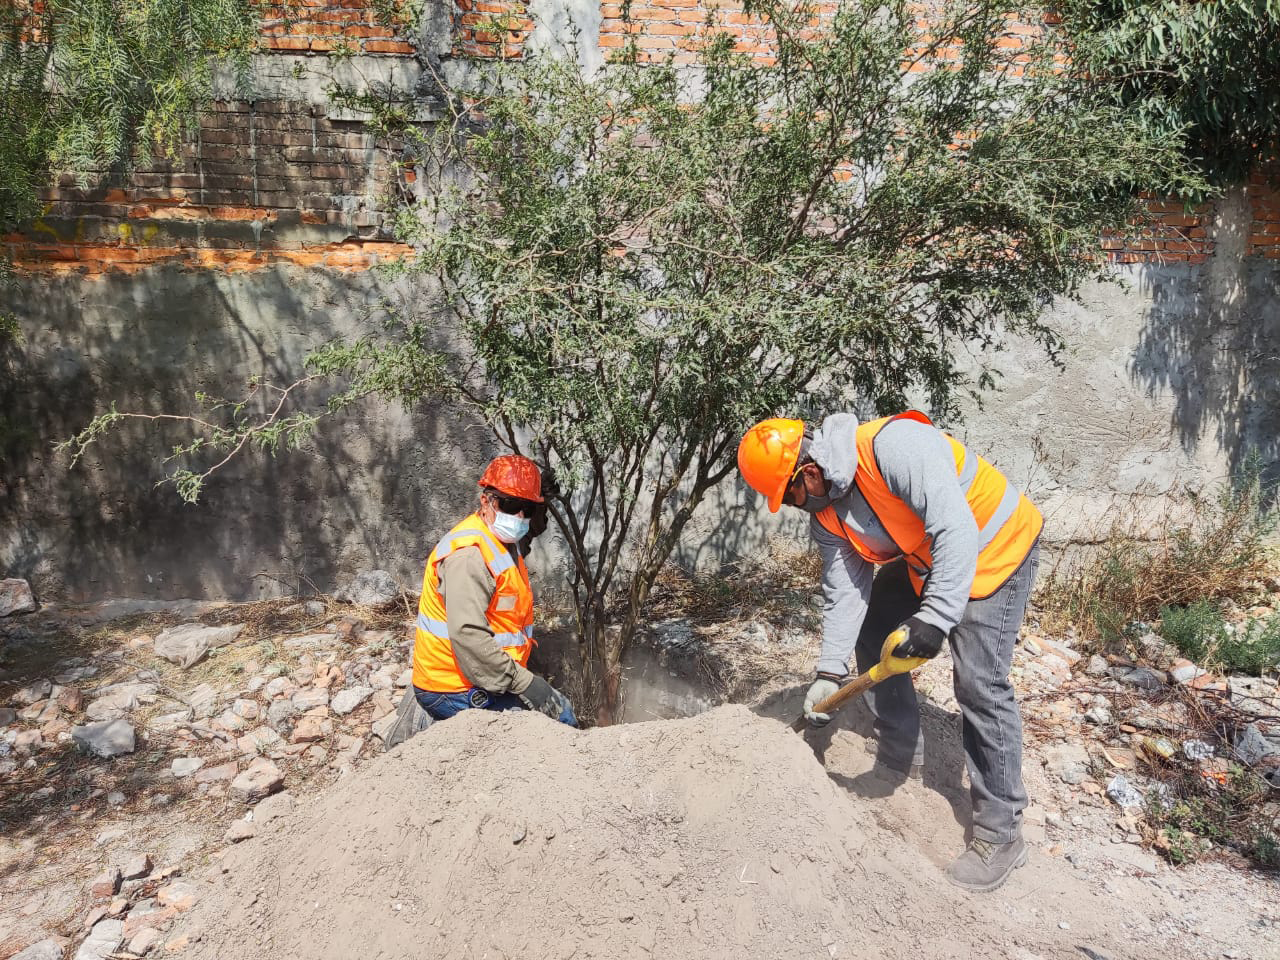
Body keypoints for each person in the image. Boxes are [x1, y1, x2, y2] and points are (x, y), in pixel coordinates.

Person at [737, 412, 1042, 892]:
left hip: (995, 547)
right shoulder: (827, 513)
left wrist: (936, 618)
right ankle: (901, 759)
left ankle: (1000, 833)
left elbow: (955, 527)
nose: (795, 507)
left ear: (809, 473)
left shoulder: (893, 447)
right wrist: (829, 672)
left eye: (790, 496)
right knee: (872, 629)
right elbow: (846, 592)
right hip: (927, 559)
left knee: (979, 684)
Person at [412, 454, 576, 726]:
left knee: (559, 712)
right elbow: (469, 636)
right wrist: (524, 683)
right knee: (559, 721)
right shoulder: (469, 558)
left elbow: (526, 533)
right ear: (486, 501)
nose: (520, 516)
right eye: (510, 504)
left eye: (528, 508)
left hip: (480, 674)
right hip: (452, 685)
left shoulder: (501, 541)